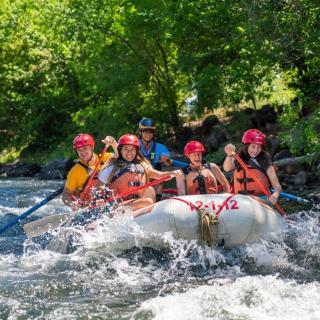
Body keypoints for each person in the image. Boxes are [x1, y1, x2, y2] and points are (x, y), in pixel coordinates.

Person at [97, 134, 183, 215]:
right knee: (148, 202)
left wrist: (172, 173)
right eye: (126, 149)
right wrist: (100, 198)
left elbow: (159, 175)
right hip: (115, 205)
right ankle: (116, 211)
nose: (129, 152)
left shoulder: (142, 165)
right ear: (120, 150)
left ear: (137, 151)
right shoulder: (112, 166)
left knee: (150, 190)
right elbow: (99, 186)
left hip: (135, 202)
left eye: (132, 149)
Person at [223, 129, 282, 204]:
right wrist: (229, 155)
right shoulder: (239, 157)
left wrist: (275, 195)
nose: (256, 150)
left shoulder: (264, 160)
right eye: (253, 146)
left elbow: (277, 186)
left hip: (262, 199)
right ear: (247, 146)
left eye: (259, 147)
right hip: (240, 199)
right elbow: (227, 168)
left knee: (252, 199)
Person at [62, 133, 118, 210]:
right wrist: (73, 204)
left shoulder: (105, 158)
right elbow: (65, 196)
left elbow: (122, 159)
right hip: (90, 207)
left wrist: (114, 145)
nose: (82, 152)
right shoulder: (75, 171)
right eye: (79, 150)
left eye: (85, 148)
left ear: (92, 147)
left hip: (110, 202)